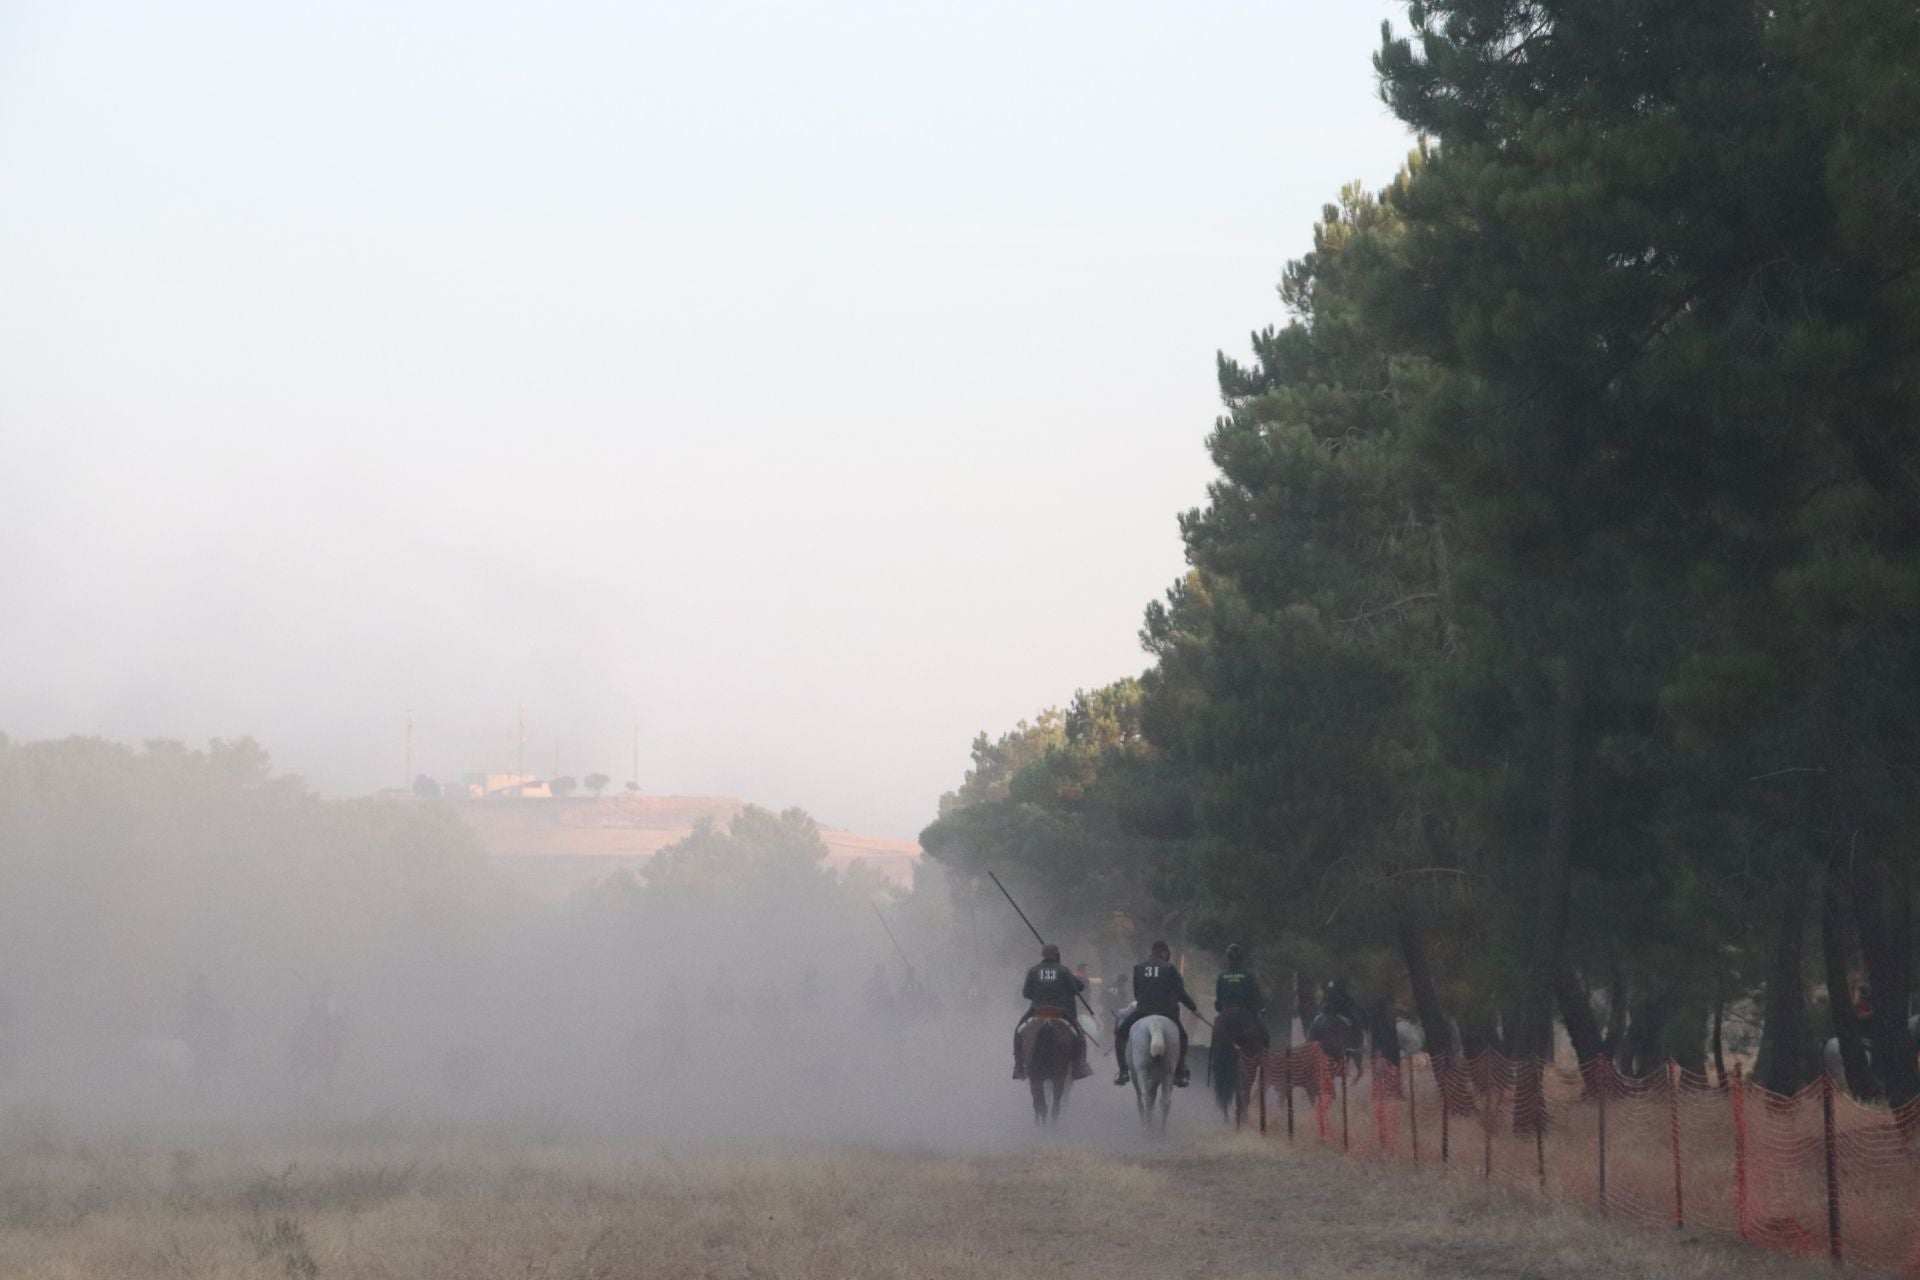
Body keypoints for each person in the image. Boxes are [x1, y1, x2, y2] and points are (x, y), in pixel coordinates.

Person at [1114, 941, 1197, 1087]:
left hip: (1142, 1011)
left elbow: (1137, 993)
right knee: (1183, 1037)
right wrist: (1194, 1008)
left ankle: (1123, 1071)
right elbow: (1180, 992)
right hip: (1166, 1013)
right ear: (1164, 953)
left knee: (1120, 1035)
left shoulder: (1138, 968)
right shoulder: (1170, 968)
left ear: (1152, 952)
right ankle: (1180, 1071)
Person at [1013, 943, 1091, 1081]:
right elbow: (1074, 990)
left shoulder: (1033, 970)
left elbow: (1026, 993)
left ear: (1043, 955)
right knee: (1079, 1034)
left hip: (1037, 1010)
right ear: (1057, 955)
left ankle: (1019, 1067)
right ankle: (1079, 1067)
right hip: (1060, 1011)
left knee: (1018, 1032)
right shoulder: (1063, 970)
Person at [1215, 944, 1264, 1019]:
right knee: (1262, 1029)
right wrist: (1262, 1008)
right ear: (1241, 958)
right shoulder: (1248, 976)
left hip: (1226, 1013)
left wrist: (1220, 1009)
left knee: (1217, 1027)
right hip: (1246, 1013)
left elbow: (1218, 1001)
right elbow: (1256, 995)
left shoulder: (1221, 977)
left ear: (1228, 958)